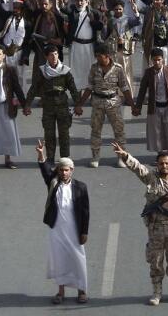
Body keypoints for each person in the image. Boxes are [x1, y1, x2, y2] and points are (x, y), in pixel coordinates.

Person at [112, 142, 168, 306]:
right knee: (155, 262)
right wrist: (125, 155)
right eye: (161, 163)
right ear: (157, 165)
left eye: (167, 163)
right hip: (156, 228)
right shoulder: (152, 179)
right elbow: (138, 168)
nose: (164, 166)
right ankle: (157, 293)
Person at [37, 143, 91, 305]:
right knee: (59, 259)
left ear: (72, 170)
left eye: (66, 170)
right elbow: (45, 171)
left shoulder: (81, 187)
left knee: (78, 258)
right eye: (61, 169)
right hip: (57, 228)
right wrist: (42, 154)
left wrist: (84, 232)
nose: (63, 172)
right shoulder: (53, 184)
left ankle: (82, 291)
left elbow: (86, 212)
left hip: (74, 230)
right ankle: (60, 292)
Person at [77, 45, 134, 168]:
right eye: (96, 56)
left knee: (119, 131)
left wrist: (132, 105)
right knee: (96, 130)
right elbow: (89, 87)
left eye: (99, 56)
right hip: (97, 102)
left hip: (113, 103)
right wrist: (80, 104)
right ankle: (95, 156)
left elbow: (124, 87)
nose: (97, 58)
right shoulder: (94, 68)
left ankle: (121, 157)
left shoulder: (118, 69)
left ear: (107, 56)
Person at [25, 46, 82, 163]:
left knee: (64, 134)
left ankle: (65, 158)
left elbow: (73, 89)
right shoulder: (42, 71)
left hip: (62, 106)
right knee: (49, 135)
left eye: (56, 54)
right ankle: (50, 158)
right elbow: (34, 88)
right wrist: (27, 105)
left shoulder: (65, 71)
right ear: (47, 57)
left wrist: (78, 105)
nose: (54, 57)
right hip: (48, 106)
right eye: (51, 55)